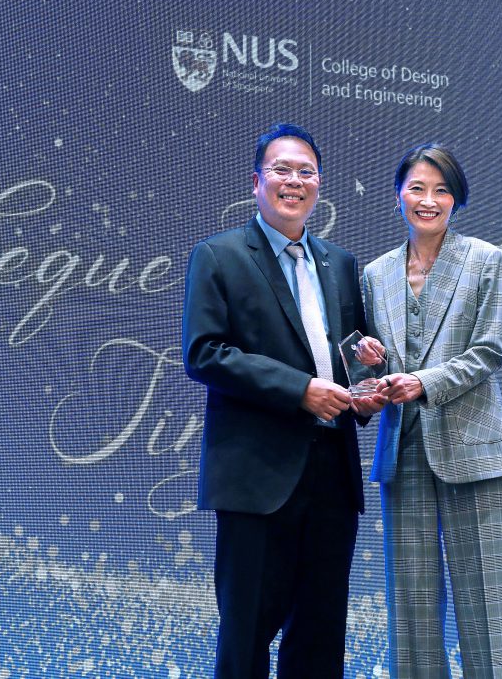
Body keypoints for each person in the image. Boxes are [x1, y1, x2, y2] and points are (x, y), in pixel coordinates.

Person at [182, 123, 386, 679]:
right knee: (246, 637)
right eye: (281, 170)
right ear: (256, 182)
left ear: (319, 184)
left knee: (320, 639)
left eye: (306, 172)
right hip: (257, 478)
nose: (294, 181)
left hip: (332, 475)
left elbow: (349, 355)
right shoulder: (219, 255)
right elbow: (205, 353)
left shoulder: (340, 263)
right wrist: (300, 391)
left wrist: (367, 388)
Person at [362, 143, 502, 678]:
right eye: (417, 188)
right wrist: (369, 365)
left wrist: (422, 383)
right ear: (397, 196)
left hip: (474, 453)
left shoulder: (484, 259)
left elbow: (488, 350)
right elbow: (374, 362)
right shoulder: (376, 274)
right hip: (403, 452)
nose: (428, 200)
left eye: (441, 190)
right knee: (411, 619)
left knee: (487, 613)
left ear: (457, 200)